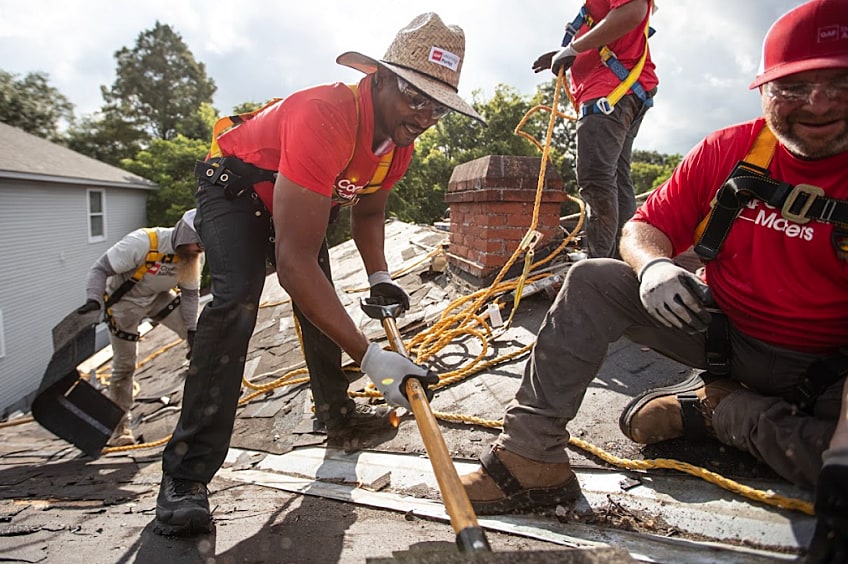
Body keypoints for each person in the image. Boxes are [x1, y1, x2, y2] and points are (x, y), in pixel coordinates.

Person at [460, 0, 848, 524]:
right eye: (795, 87)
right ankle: (527, 459)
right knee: (593, 278)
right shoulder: (728, 151)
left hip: (827, 368)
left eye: (839, 84)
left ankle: (721, 411)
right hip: (723, 337)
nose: (818, 104)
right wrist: (652, 266)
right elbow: (643, 227)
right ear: (764, 90)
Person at [154, 12, 484, 537]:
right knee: (237, 300)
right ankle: (185, 477)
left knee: (319, 303)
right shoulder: (325, 113)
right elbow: (292, 264)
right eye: (415, 97)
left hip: (300, 201)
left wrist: (379, 277)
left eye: (438, 106)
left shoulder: (397, 147)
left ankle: (336, 415)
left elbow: (369, 214)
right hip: (236, 193)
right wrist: (372, 357)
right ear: (378, 78)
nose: (424, 116)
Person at [532, 0, 658, 259]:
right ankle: (620, 261)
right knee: (615, 178)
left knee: (596, 179)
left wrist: (574, 48)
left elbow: (634, 11)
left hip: (610, 91)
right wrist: (571, 53)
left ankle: (598, 266)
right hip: (622, 90)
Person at [77, 209, 204, 446]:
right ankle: (120, 428)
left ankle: (210, 401)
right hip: (124, 303)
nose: (201, 249)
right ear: (185, 235)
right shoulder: (143, 242)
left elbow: (189, 295)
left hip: (158, 298)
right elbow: (100, 269)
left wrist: (193, 330)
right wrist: (94, 299)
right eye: (198, 242)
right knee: (125, 366)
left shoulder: (193, 257)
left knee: (202, 339)